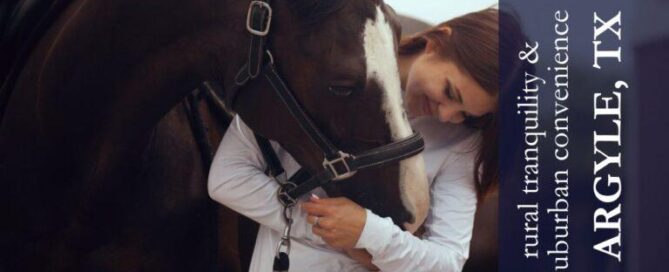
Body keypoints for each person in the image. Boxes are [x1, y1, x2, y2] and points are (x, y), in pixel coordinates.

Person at [209, 8, 525, 272]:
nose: (447, 116)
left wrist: (368, 232)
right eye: (449, 93)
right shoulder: (327, 69)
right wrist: (336, 232)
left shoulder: (459, 144)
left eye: (466, 114)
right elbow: (228, 178)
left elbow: (446, 263)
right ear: (437, 42)